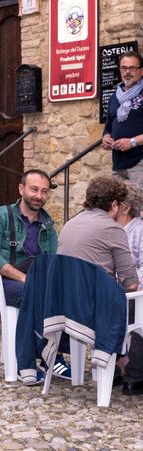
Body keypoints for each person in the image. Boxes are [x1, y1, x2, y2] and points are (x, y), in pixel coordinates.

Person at [0, 169, 66, 381]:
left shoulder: (48, 226)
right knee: (31, 292)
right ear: (21, 188)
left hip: (30, 284)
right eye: (34, 189)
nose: (39, 196)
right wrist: (26, 279)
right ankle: (27, 363)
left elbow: (51, 262)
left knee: (64, 294)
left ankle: (53, 355)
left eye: (44, 192)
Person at [58, 176, 139, 292]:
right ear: (115, 205)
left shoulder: (69, 224)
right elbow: (131, 284)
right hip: (97, 303)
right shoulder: (113, 229)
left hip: (66, 300)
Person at [102, 51, 143, 188]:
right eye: (124, 68)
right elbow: (108, 127)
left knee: (140, 207)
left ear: (141, 71)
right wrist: (106, 137)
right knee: (118, 208)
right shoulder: (115, 97)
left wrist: (132, 142)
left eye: (132, 68)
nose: (127, 72)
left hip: (139, 162)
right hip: (118, 163)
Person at [115, 181, 143, 283]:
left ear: (125, 208)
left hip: (131, 295)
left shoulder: (140, 231)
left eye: (113, 203)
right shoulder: (105, 229)